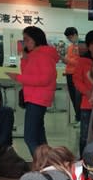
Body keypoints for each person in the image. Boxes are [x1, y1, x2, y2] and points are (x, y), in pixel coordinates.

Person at [6, 26, 60, 156]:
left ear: (35, 39)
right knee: (39, 136)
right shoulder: (37, 55)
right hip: (35, 98)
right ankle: (48, 164)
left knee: (30, 137)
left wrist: (18, 78)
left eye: (27, 39)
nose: (24, 43)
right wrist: (24, 58)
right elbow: (28, 72)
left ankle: (42, 164)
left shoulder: (43, 55)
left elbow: (44, 79)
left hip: (37, 98)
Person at [73, 30, 93, 157]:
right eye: (92, 44)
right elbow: (77, 80)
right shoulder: (82, 61)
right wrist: (88, 93)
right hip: (87, 104)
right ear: (88, 45)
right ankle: (83, 161)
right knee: (85, 135)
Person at [62, 27, 82, 123]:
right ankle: (78, 117)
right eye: (68, 38)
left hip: (77, 75)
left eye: (70, 37)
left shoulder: (81, 46)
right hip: (69, 74)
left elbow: (79, 63)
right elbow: (70, 61)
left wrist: (67, 60)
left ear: (75, 35)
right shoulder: (70, 47)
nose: (69, 39)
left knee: (78, 98)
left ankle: (80, 118)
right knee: (73, 97)